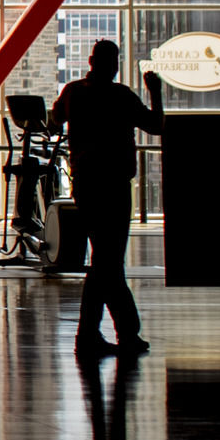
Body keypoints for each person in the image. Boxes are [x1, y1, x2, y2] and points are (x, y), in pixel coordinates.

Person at [46, 39, 164, 355]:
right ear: (113, 64)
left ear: (89, 61)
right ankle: (117, 333)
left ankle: (95, 334)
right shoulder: (121, 96)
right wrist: (155, 92)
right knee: (109, 262)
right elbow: (156, 125)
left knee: (104, 262)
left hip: (86, 183)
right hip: (114, 186)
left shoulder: (72, 91)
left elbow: (54, 120)